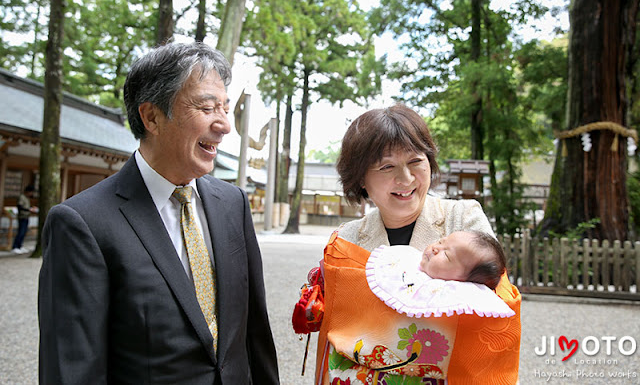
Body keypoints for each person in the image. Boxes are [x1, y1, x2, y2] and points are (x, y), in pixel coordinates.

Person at [38, 42, 279, 384]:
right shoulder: (82, 224)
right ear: (151, 116)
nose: (225, 125)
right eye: (207, 107)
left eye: (225, 108)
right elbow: (72, 369)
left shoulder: (233, 204)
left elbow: (255, 334)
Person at [310, 103, 520, 384]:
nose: (406, 179)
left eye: (415, 161)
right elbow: (335, 329)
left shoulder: (463, 218)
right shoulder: (346, 239)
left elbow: (496, 305)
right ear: (361, 179)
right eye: (387, 166)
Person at [366, 230, 515, 320]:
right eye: (441, 242)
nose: (436, 248)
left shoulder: (454, 298)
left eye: (447, 256)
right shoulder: (408, 258)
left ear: (463, 283)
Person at [11, 184, 36, 254]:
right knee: (21, 232)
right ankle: (15, 246)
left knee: (24, 232)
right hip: (22, 216)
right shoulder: (22, 197)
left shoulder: (27, 198)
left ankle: (20, 246)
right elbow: (20, 206)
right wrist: (28, 210)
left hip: (26, 216)